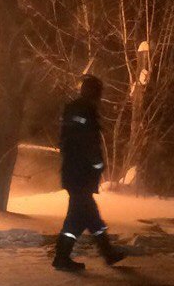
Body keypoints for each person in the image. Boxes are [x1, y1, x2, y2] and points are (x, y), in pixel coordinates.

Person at [52, 74, 126, 271]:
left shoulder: (75, 109)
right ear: (94, 92)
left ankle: (106, 253)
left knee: (86, 216)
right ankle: (63, 257)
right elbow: (87, 142)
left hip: (74, 173)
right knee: (82, 217)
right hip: (80, 174)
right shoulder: (85, 111)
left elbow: (69, 140)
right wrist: (97, 164)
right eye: (98, 92)